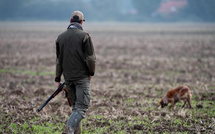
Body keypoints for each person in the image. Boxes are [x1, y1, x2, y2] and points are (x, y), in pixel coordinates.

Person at [55, 10, 96, 134]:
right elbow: (90, 58)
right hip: (81, 77)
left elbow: (58, 60)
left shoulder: (60, 37)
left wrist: (58, 79)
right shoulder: (85, 36)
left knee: (75, 108)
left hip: (68, 78)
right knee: (82, 107)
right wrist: (91, 72)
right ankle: (69, 129)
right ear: (82, 22)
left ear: (70, 21)